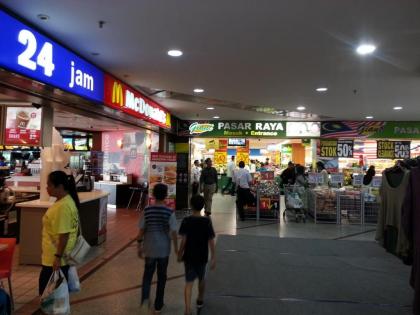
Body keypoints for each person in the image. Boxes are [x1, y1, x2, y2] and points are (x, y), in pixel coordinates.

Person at [137, 183, 178, 314]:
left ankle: (144, 301)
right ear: (166, 195)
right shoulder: (169, 212)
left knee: (147, 276)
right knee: (162, 277)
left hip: (149, 249)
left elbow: (141, 231)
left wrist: (139, 246)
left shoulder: (147, 210)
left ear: (153, 195)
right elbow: (173, 233)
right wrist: (176, 249)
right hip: (163, 250)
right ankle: (158, 305)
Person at [39, 171, 79, 299]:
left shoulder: (62, 207)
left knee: (49, 298)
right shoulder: (68, 201)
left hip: (55, 259)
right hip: (62, 257)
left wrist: (57, 257)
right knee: (58, 297)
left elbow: (64, 235)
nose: (47, 188)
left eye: (49, 185)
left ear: (60, 187)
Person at [178, 195, 216, 315]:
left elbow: (184, 240)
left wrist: (180, 253)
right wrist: (213, 256)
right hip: (202, 255)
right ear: (203, 206)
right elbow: (211, 240)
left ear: (191, 205)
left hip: (189, 255)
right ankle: (200, 298)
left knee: (189, 282)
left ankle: (187, 309)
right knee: (201, 278)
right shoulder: (206, 221)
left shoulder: (186, 220)